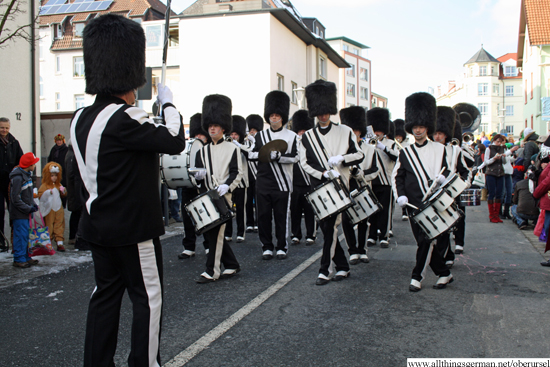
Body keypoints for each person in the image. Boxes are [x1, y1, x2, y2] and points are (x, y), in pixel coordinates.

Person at [74, 14, 186, 367]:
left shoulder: (79, 118)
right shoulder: (128, 116)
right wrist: (167, 103)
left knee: (104, 296)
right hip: (134, 230)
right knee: (148, 298)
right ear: (129, 75)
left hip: (97, 227)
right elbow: (175, 140)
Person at [300, 79, 364, 285]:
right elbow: (304, 163)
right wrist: (322, 174)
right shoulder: (307, 137)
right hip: (319, 188)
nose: (323, 115)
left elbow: (359, 154)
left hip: (340, 188)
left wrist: (342, 159)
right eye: (319, 112)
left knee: (330, 227)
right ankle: (343, 267)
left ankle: (324, 269)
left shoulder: (345, 131)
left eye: (326, 111)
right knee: (328, 229)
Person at [392, 92, 453, 292]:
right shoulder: (405, 151)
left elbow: (450, 172)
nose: (418, 130)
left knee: (426, 240)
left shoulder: (440, 149)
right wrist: (399, 195)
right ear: (411, 128)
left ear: (427, 127)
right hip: (413, 204)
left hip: (433, 203)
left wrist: (444, 179)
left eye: (421, 126)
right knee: (423, 240)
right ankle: (444, 273)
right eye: (415, 127)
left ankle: (416, 277)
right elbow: (397, 176)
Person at [193, 94, 242, 283]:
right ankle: (231, 264)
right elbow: (198, 175)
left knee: (216, 233)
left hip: (224, 197)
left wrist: (226, 186)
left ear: (223, 127)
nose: (212, 128)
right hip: (206, 197)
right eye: (210, 125)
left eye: (216, 125)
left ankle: (212, 271)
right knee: (212, 233)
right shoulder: (201, 151)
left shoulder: (232, 148)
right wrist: (197, 178)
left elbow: (236, 172)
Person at [246, 91, 298, 261]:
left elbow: (296, 157)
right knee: (263, 216)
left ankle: (282, 246)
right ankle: (266, 246)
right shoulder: (260, 136)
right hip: (263, 182)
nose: (274, 118)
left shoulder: (292, 136)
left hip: (282, 183)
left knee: (281, 216)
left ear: (282, 117)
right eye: (271, 115)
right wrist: (265, 155)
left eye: (277, 115)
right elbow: (250, 155)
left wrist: (280, 157)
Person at [432, 106, 471, 267]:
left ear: (446, 133)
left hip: (452, 192)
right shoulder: (428, 150)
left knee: (454, 221)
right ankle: (444, 255)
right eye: (435, 133)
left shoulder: (455, 150)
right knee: (440, 226)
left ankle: (451, 252)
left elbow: (466, 172)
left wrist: (458, 184)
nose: (437, 136)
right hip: (435, 193)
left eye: (440, 133)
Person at [339, 106, 378, 265]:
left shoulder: (370, 149)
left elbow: (375, 170)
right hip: (346, 187)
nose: (353, 134)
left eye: (355, 131)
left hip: (363, 187)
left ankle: (362, 250)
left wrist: (360, 173)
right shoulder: (342, 148)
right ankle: (352, 250)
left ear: (360, 131)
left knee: (363, 220)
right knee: (347, 221)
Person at [178, 113, 210, 259]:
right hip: (189, 185)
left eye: (201, 134)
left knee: (205, 216)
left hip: (204, 186)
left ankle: (208, 245)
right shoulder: (188, 146)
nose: (199, 137)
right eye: (196, 134)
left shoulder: (210, 148)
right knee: (187, 216)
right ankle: (189, 247)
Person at [366, 107, 398, 248]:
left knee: (385, 210)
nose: (376, 133)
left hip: (386, 181)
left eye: (379, 130)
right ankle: (372, 235)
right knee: (372, 210)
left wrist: (383, 147)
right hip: (372, 181)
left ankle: (384, 235)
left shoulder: (391, 143)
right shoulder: (367, 143)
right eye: (375, 130)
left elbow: (397, 157)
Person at [289, 110, 316, 246]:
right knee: (295, 211)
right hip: (295, 184)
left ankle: (311, 234)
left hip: (309, 183)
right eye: (299, 131)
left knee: (310, 211)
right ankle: (295, 234)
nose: (301, 134)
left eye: (304, 131)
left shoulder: (312, 147)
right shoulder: (293, 145)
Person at [9, 152, 40, 268]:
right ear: (29, 165)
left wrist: (33, 204)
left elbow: (28, 195)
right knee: (20, 236)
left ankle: (26, 256)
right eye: (34, 163)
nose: (35, 165)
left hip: (25, 212)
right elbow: (15, 199)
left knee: (26, 235)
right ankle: (19, 258)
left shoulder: (27, 175)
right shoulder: (18, 178)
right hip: (20, 213)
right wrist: (28, 208)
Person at [0, 117, 23, 252]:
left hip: (11, 183)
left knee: (14, 211)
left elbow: (21, 160)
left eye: (6, 128)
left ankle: (16, 241)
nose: (4, 130)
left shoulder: (14, 142)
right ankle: (1, 240)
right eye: (2, 127)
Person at [480, 134, 514, 223]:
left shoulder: (503, 148)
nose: (499, 143)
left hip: (500, 173)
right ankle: (491, 215)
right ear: (494, 141)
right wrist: (494, 158)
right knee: (492, 193)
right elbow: (486, 162)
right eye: (497, 141)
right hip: (491, 173)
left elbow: (505, 161)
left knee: (499, 194)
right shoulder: (489, 149)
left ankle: (496, 214)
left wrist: (504, 157)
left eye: (500, 141)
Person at [226, 115, 249, 243]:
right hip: (229, 181)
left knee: (240, 208)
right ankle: (228, 233)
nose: (233, 136)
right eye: (232, 134)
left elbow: (249, 154)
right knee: (228, 208)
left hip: (241, 182)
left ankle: (241, 233)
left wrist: (238, 145)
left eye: (236, 134)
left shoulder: (244, 146)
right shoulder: (227, 146)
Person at [38, 162, 67, 251]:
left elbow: (63, 195)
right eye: (52, 175)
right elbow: (40, 195)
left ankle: (59, 242)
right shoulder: (45, 185)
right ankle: (48, 242)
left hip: (58, 208)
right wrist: (47, 193)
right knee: (49, 225)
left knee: (59, 224)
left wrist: (64, 191)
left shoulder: (59, 185)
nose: (54, 177)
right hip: (49, 209)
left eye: (55, 175)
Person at [244, 114, 263, 233]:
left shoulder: (260, 142)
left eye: (254, 130)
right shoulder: (245, 143)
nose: (252, 132)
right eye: (250, 130)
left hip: (258, 174)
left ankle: (258, 222)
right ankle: (249, 223)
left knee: (259, 202)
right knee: (248, 201)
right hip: (247, 175)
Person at [393, 119, 410, 221]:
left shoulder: (407, 144)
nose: (398, 138)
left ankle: (405, 211)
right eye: (397, 135)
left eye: (399, 136)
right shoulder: (393, 144)